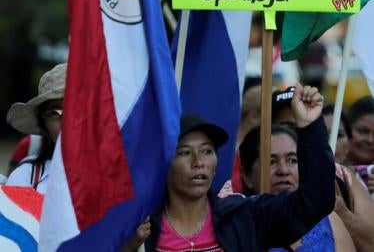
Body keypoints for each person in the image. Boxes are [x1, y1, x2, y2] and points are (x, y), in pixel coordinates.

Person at [124, 83, 335, 251]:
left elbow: (315, 200)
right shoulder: (140, 228)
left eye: (207, 151)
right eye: (185, 152)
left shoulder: (243, 216)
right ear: (165, 164)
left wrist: (310, 127)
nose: (199, 161)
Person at [239, 124, 356, 251]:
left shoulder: (329, 218)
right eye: (271, 162)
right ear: (247, 176)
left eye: (292, 160)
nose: (283, 171)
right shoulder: (238, 225)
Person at [5, 63, 66, 193]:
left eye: (76, 107)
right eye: (54, 112)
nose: (66, 120)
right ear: (44, 126)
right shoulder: (25, 178)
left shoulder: (116, 175)